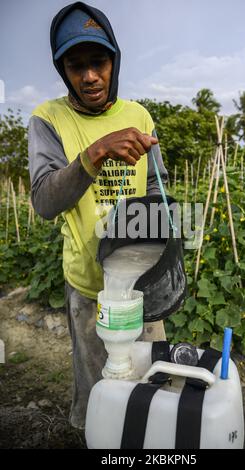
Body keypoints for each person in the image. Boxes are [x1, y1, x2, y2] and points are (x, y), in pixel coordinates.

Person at [28, 1, 168, 430]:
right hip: (90, 287)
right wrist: (94, 153)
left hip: (141, 282)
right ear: (62, 69)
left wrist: (161, 249)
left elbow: (154, 188)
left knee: (150, 384)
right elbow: (45, 202)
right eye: (75, 65)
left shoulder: (138, 116)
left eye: (98, 61)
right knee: (99, 393)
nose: (89, 76)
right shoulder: (48, 119)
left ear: (114, 61)